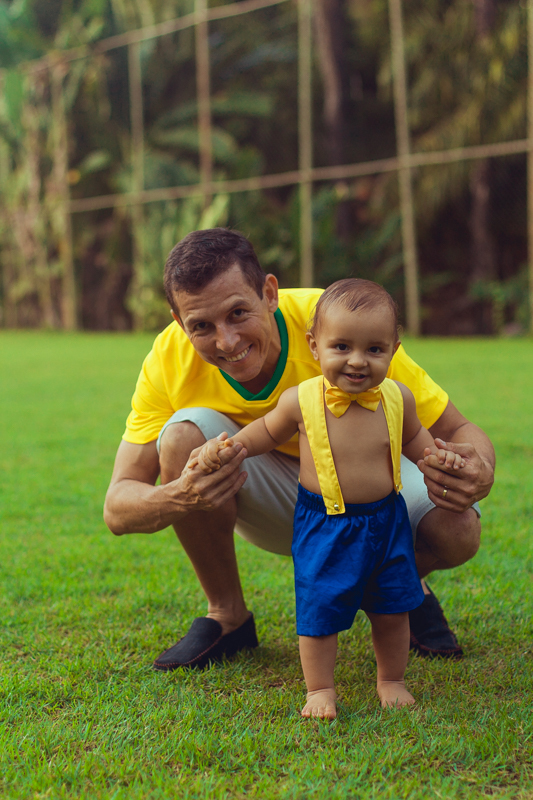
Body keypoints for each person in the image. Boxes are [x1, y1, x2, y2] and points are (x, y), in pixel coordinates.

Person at [103, 228, 494, 670]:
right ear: (178, 322)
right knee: (180, 437)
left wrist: (480, 468)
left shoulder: (340, 321)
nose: (227, 341)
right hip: (275, 494)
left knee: (458, 530)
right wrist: (181, 495)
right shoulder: (168, 358)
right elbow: (118, 506)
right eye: (202, 326)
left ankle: (397, 584)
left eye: (238, 313)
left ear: (269, 293)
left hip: (374, 491)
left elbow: (458, 428)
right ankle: (228, 615)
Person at [192, 279, 466, 718]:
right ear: (315, 347)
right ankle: (319, 688)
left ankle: (391, 679)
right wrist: (230, 448)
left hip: (386, 519)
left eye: (374, 350)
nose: (357, 361)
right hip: (326, 524)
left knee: (393, 606)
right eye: (341, 347)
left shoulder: (398, 398)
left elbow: (418, 441)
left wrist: (442, 459)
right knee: (320, 610)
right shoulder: (300, 400)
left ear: (393, 352)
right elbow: (263, 433)